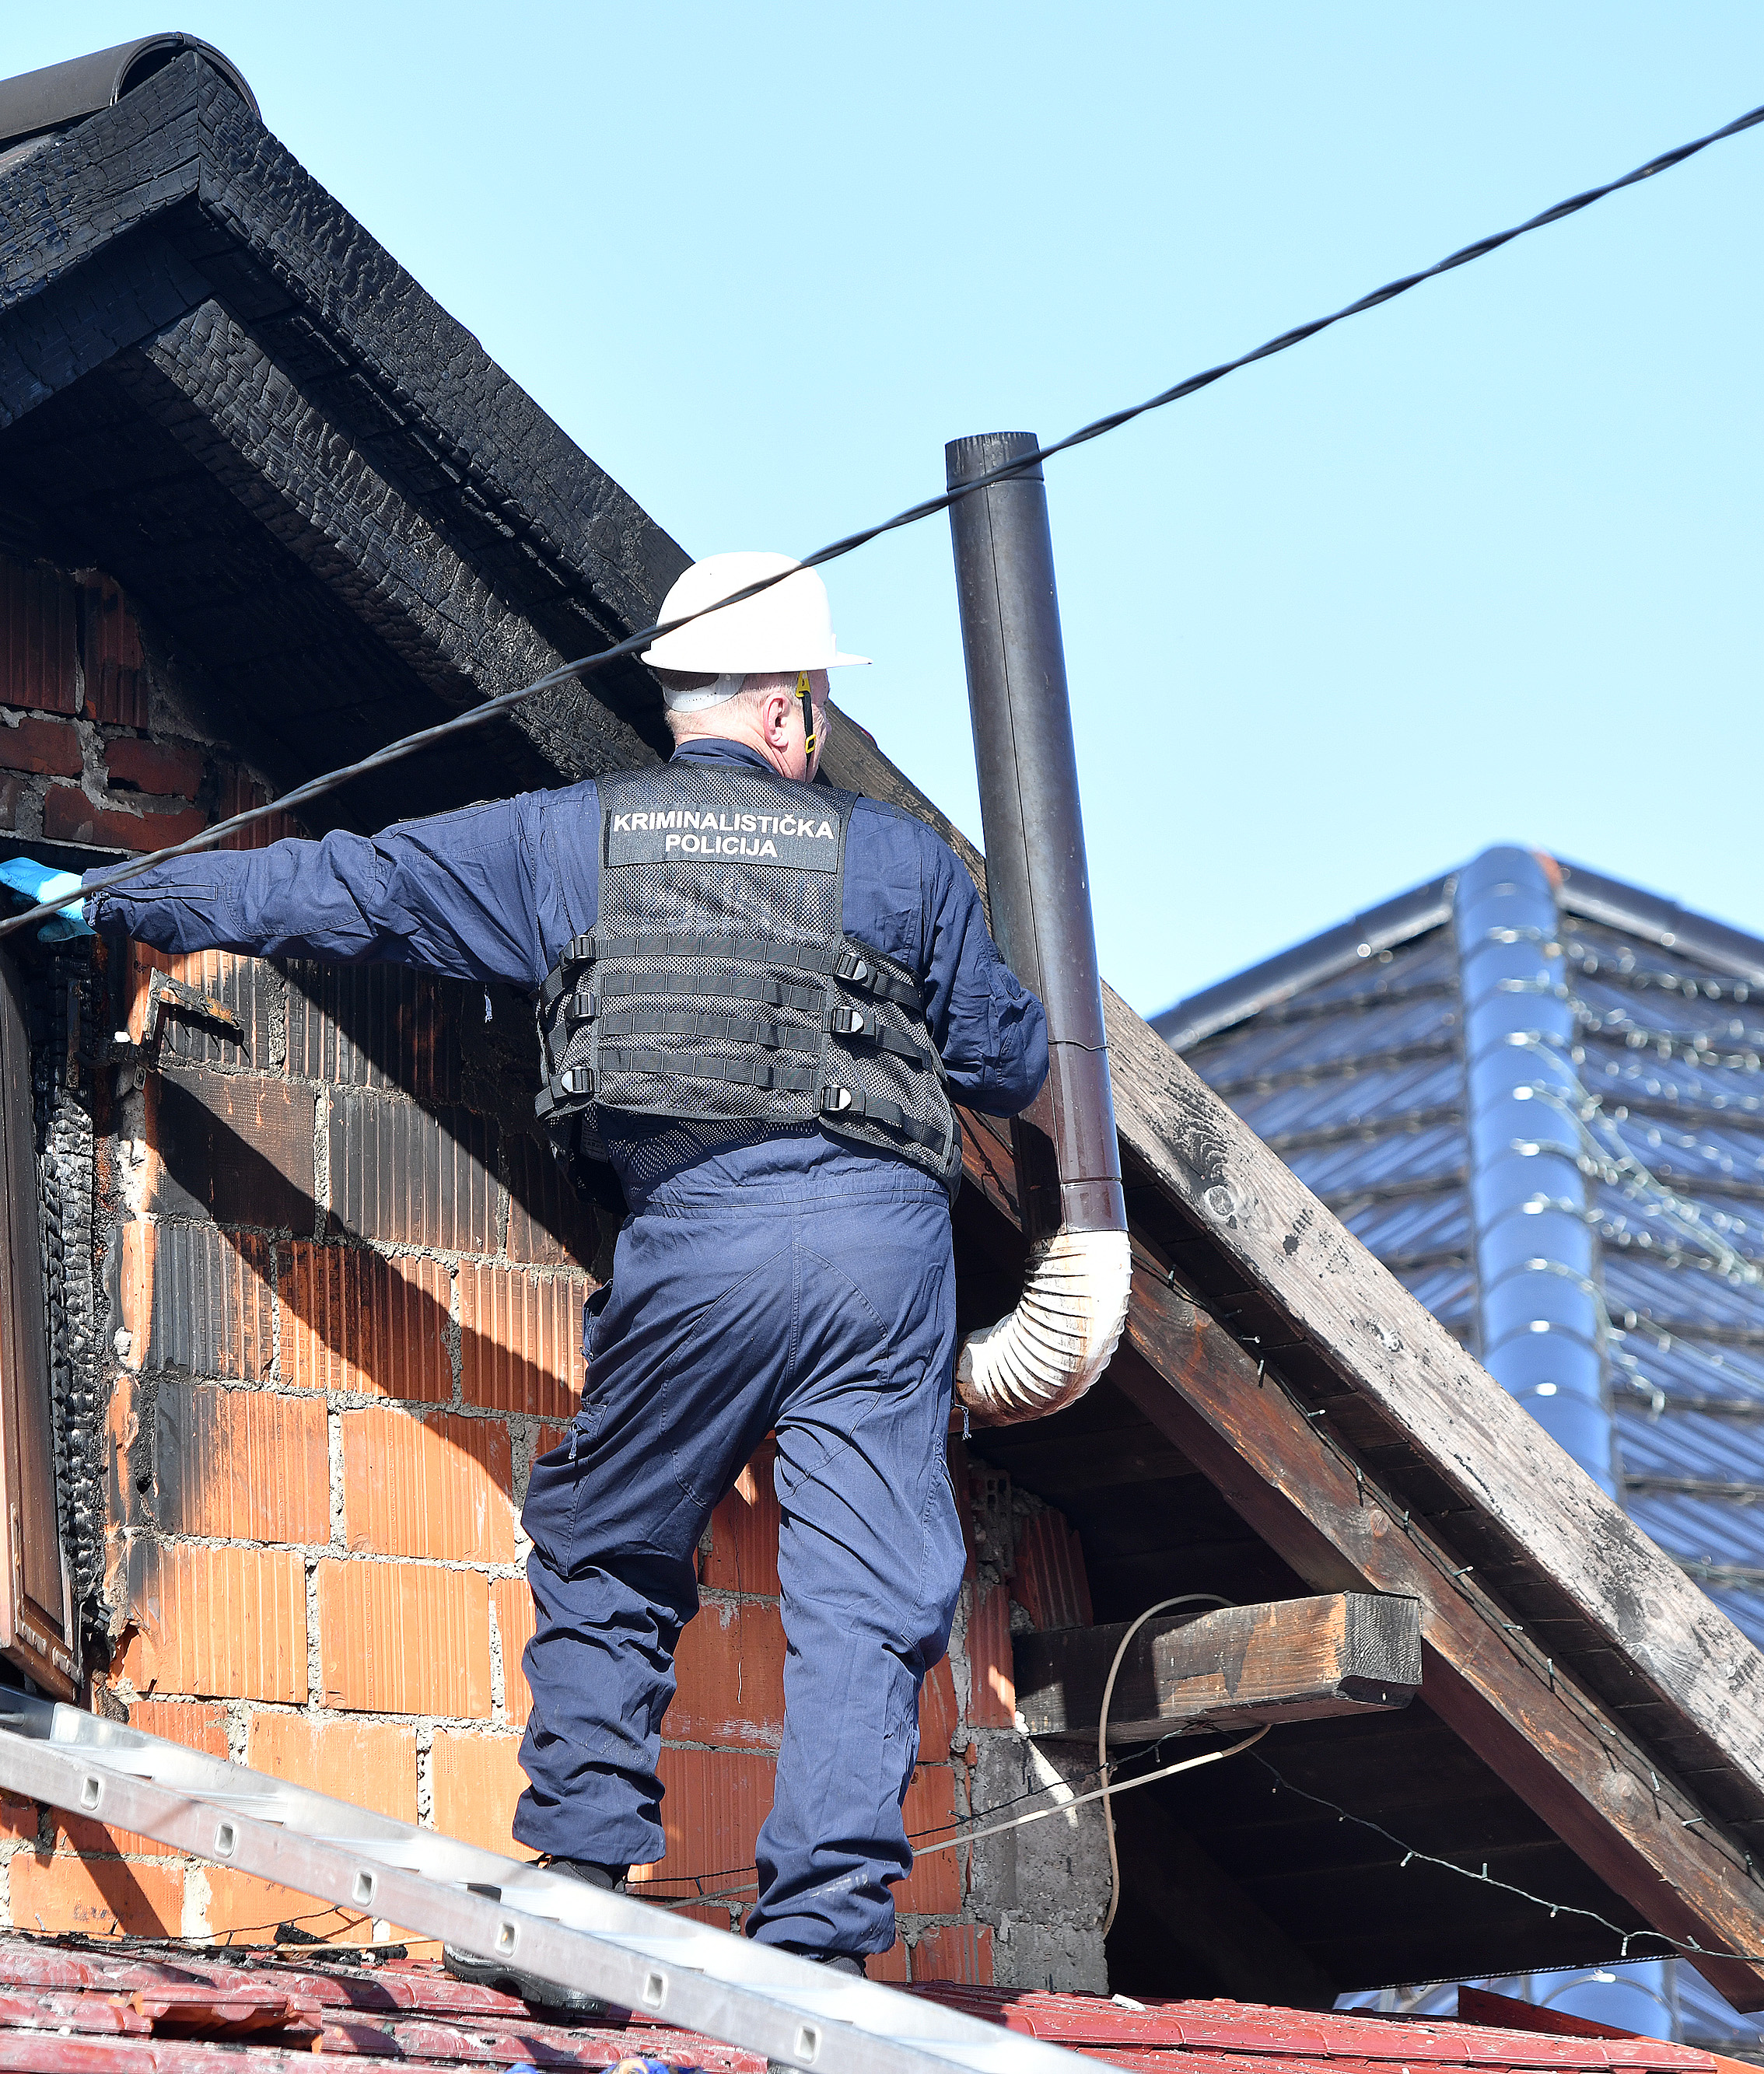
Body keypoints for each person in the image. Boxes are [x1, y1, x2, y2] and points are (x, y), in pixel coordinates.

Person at [81, 552, 1048, 1995]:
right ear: (788, 710)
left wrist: (127, 897)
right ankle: (819, 1946)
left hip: (697, 1240)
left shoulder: (564, 841)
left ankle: (584, 1892)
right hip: (878, 1254)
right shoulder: (900, 863)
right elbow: (1007, 1061)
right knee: (867, 1592)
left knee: (611, 1539)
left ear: (681, 703)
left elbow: (346, 886)